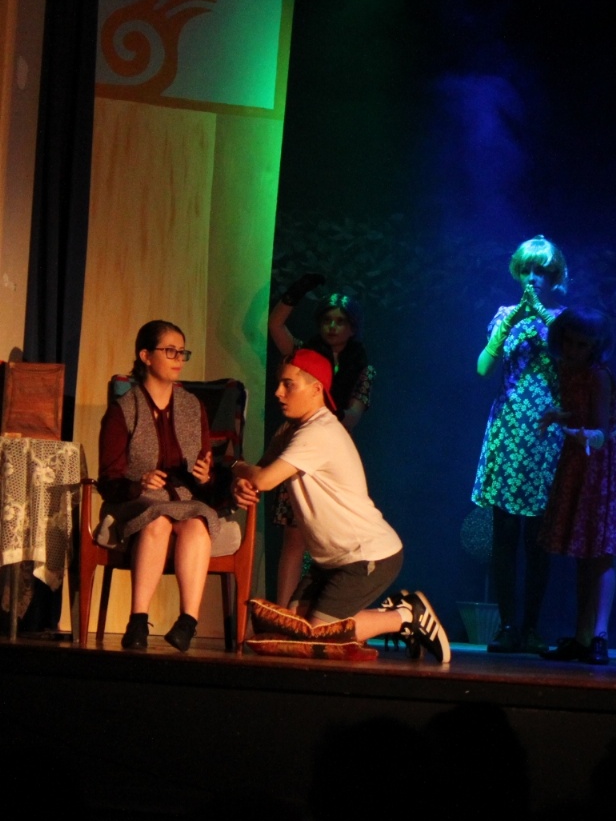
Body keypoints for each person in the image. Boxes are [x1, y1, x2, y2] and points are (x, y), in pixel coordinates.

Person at [230, 349, 450, 662]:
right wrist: (241, 483)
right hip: (331, 561)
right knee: (297, 628)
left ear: (315, 389)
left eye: (288, 385)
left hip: (366, 554)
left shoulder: (318, 432)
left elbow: (263, 479)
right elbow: (260, 475)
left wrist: (235, 466)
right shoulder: (291, 431)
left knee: (320, 634)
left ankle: (405, 616)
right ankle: (394, 615)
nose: (278, 392)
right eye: (279, 384)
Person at [94, 321, 225, 651]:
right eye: (170, 351)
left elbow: (207, 474)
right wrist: (139, 483)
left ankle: (187, 622)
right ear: (146, 356)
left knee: (197, 523)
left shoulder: (192, 407)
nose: (178, 358)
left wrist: (204, 477)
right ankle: (138, 620)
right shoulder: (124, 410)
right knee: (159, 520)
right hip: (137, 498)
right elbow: (108, 480)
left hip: (184, 498)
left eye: (182, 352)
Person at [471, 237, 568, 654]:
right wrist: (512, 321)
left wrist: (542, 316)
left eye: (541, 271)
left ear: (554, 276)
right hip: (508, 431)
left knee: (539, 538)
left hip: (546, 435)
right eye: (527, 270)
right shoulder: (504, 315)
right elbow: (482, 367)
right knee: (505, 532)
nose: (532, 278)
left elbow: (572, 370)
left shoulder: (564, 320)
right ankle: (508, 625)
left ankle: (531, 627)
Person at [538, 307, 616, 666]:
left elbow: (599, 433)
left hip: (600, 466)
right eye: (569, 342)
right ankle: (582, 636)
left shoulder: (599, 375)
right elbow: (577, 412)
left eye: (582, 344)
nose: (573, 350)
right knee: (583, 555)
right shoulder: (568, 370)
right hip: (577, 463)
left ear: (595, 345)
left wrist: (570, 430)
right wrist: (560, 417)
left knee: (600, 552)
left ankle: (599, 636)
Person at [266, 274, 376, 606]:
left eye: (340, 321)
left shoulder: (363, 367)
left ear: (352, 327)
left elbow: (353, 415)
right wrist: (296, 291)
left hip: (333, 456)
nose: (332, 326)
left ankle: (316, 610)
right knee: (294, 538)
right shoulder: (305, 356)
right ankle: (282, 614)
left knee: (329, 539)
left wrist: (322, 422)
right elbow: (275, 326)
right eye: (327, 320)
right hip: (298, 447)